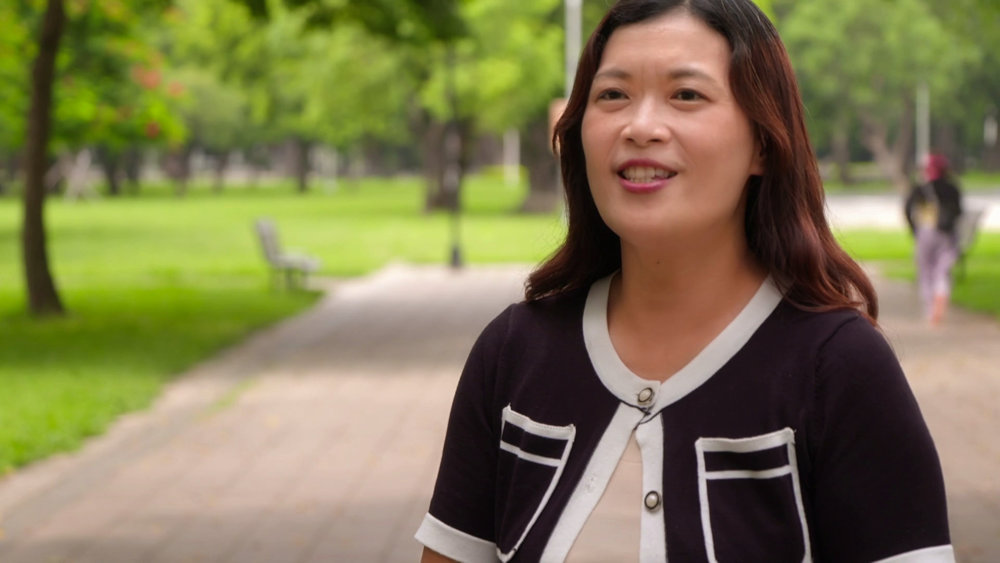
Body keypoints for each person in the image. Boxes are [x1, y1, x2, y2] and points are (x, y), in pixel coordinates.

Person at [416, 0, 953, 561]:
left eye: (687, 95)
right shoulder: (513, 353)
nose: (640, 126)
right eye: (613, 94)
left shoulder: (840, 369)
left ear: (763, 142)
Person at [905, 153, 964, 327]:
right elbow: (959, 211)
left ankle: (930, 310)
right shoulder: (952, 188)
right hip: (946, 235)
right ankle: (941, 292)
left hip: (925, 232)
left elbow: (907, 209)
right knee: (942, 271)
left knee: (926, 271)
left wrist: (914, 229)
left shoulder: (921, 188)